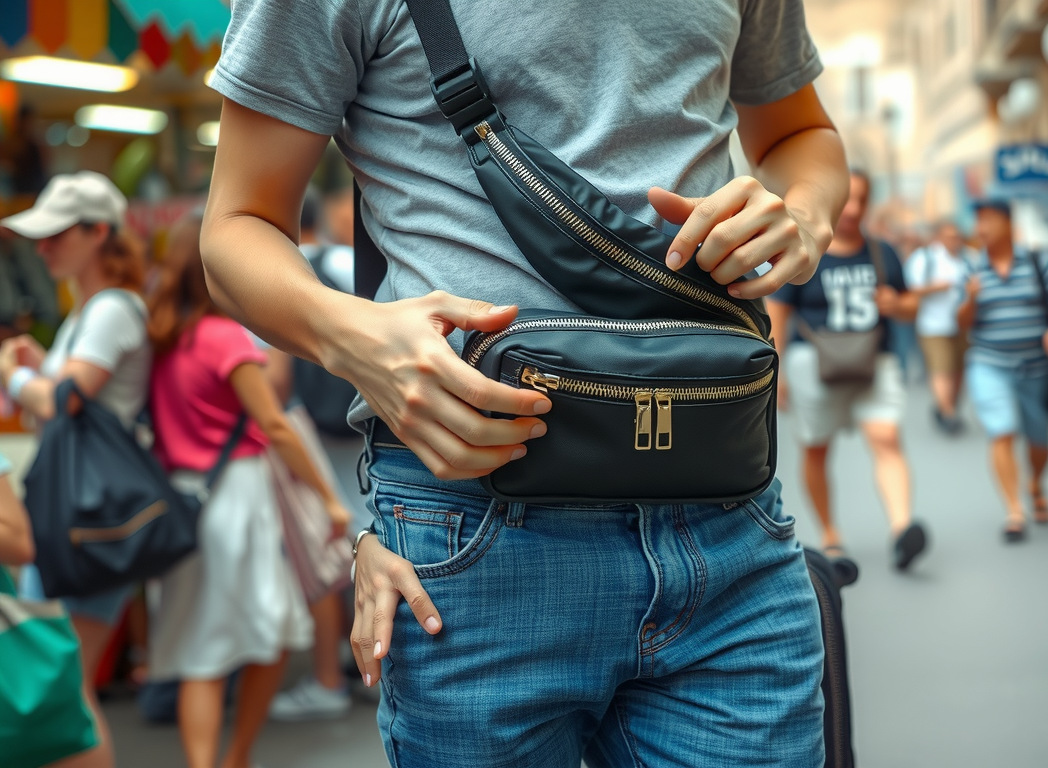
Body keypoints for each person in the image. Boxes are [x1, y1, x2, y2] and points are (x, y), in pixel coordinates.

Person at [201, 0, 849, 764]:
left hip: (728, 524)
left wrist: (804, 213)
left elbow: (800, 133)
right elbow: (236, 226)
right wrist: (355, 337)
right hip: (476, 525)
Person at [145, 212, 351, 768]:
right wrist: (328, 500)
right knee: (269, 632)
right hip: (235, 496)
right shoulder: (223, 337)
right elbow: (275, 425)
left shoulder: (164, 338)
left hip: (182, 497)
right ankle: (232, 759)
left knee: (201, 651)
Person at [0, 171, 151, 768]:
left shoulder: (111, 309)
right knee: (66, 681)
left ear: (98, 233)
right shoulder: (93, 309)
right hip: (79, 509)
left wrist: (14, 377)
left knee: (70, 686)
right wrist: (38, 367)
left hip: (89, 512)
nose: (44, 247)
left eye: (57, 234)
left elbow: (64, 401)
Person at [768, 170, 924, 574]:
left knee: (886, 437)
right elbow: (779, 315)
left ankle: (902, 526)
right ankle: (832, 533)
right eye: (847, 200)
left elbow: (911, 308)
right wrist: (777, 371)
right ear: (834, 201)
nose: (854, 209)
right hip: (813, 364)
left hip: (876, 361)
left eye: (861, 200)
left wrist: (897, 305)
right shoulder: (804, 250)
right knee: (818, 448)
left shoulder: (883, 252)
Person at [268, 188, 363, 722]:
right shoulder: (345, 262)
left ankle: (340, 668)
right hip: (362, 416)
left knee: (335, 541)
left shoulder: (278, 281)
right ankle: (373, 660)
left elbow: (277, 375)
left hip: (315, 427)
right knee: (366, 531)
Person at [958, 199, 1048, 542]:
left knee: (1040, 440)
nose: (982, 228)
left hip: (1035, 367)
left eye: (989, 220)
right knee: (1002, 430)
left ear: (1008, 224)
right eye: (978, 220)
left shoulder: (1037, 261)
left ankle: (1036, 482)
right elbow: (961, 321)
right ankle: (1014, 509)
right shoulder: (972, 269)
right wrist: (970, 299)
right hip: (989, 362)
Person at [905, 219, 974, 433]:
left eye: (957, 236)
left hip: (962, 324)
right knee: (941, 369)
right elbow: (911, 289)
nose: (954, 240)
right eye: (949, 236)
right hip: (933, 325)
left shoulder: (968, 259)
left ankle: (947, 406)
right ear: (939, 237)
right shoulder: (925, 258)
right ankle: (948, 414)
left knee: (958, 370)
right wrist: (936, 287)